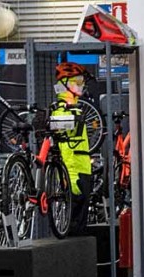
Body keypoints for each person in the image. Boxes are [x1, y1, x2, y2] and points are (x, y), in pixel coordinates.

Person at [53, 62, 93, 233]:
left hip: (83, 168)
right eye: (76, 82)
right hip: (75, 171)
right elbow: (65, 149)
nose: (80, 85)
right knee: (75, 226)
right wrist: (71, 177)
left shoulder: (75, 109)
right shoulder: (62, 111)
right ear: (65, 85)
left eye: (81, 81)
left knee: (81, 221)